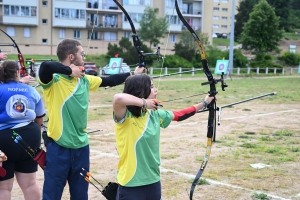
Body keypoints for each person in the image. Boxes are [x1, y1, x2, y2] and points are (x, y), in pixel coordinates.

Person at [38, 38, 146, 200]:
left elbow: (109, 80)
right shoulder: (54, 81)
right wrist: (69, 71)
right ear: (71, 57)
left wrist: (133, 74)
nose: (85, 56)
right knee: (52, 194)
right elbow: (45, 66)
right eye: (82, 53)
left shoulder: (85, 79)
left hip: (81, 148)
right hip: (59, 148)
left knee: (81, 194)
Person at [113, 74, 215, 200]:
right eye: (151, 86)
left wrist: (205, 102)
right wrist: (144, 103)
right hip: (130, 183)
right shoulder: (125, 116)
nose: (156, 90)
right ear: (140, 90)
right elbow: (118, 98)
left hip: (153, 181)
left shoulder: (155, 114)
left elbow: (179, 115)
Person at [0, 60, 45, 200]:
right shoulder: (31, 90)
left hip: (4, 139)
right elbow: (39, 119)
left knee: (3, 187)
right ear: (17, 73)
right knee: (30, 184)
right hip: (30, 137)